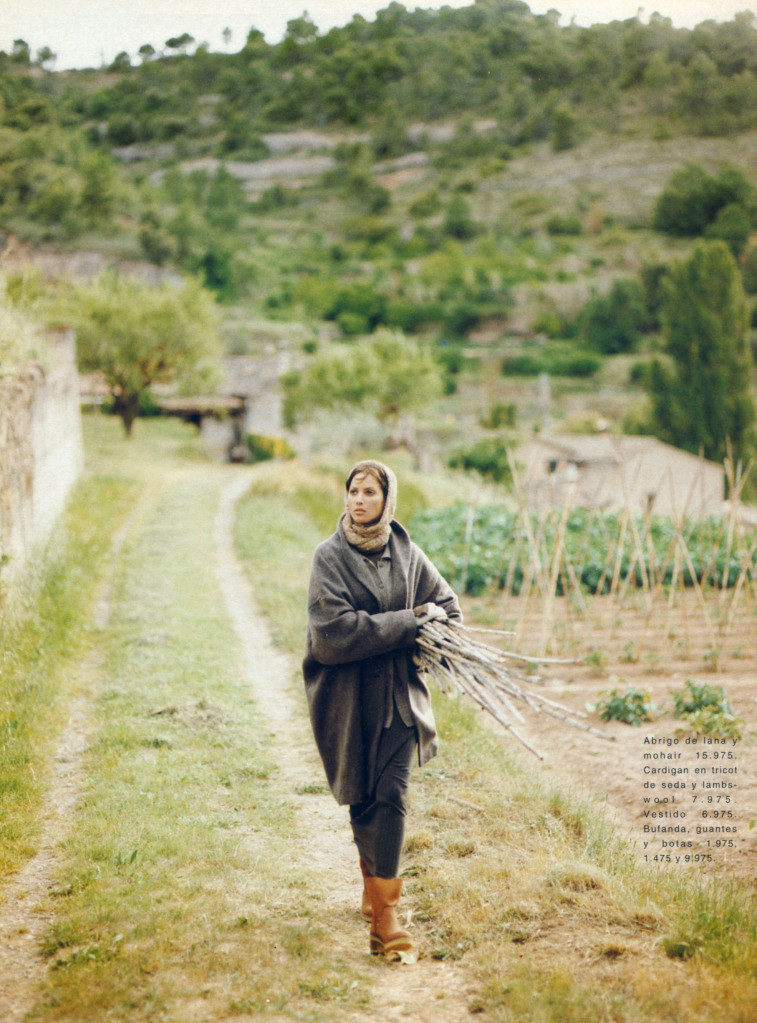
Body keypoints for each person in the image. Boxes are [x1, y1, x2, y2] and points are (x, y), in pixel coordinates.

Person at [303, 459, 461, 958]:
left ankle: (386, 916)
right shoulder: (328, 557)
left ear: (387, 499)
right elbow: (334, 636)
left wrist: (432, 631)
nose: (358, 500)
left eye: (370, 492)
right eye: (353, 490)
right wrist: (408, 623)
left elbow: (448, 610)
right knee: (363, 797)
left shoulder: (408, 553)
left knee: (391, 795)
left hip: (397, 698)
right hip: (347, 700)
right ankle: (373, 890)